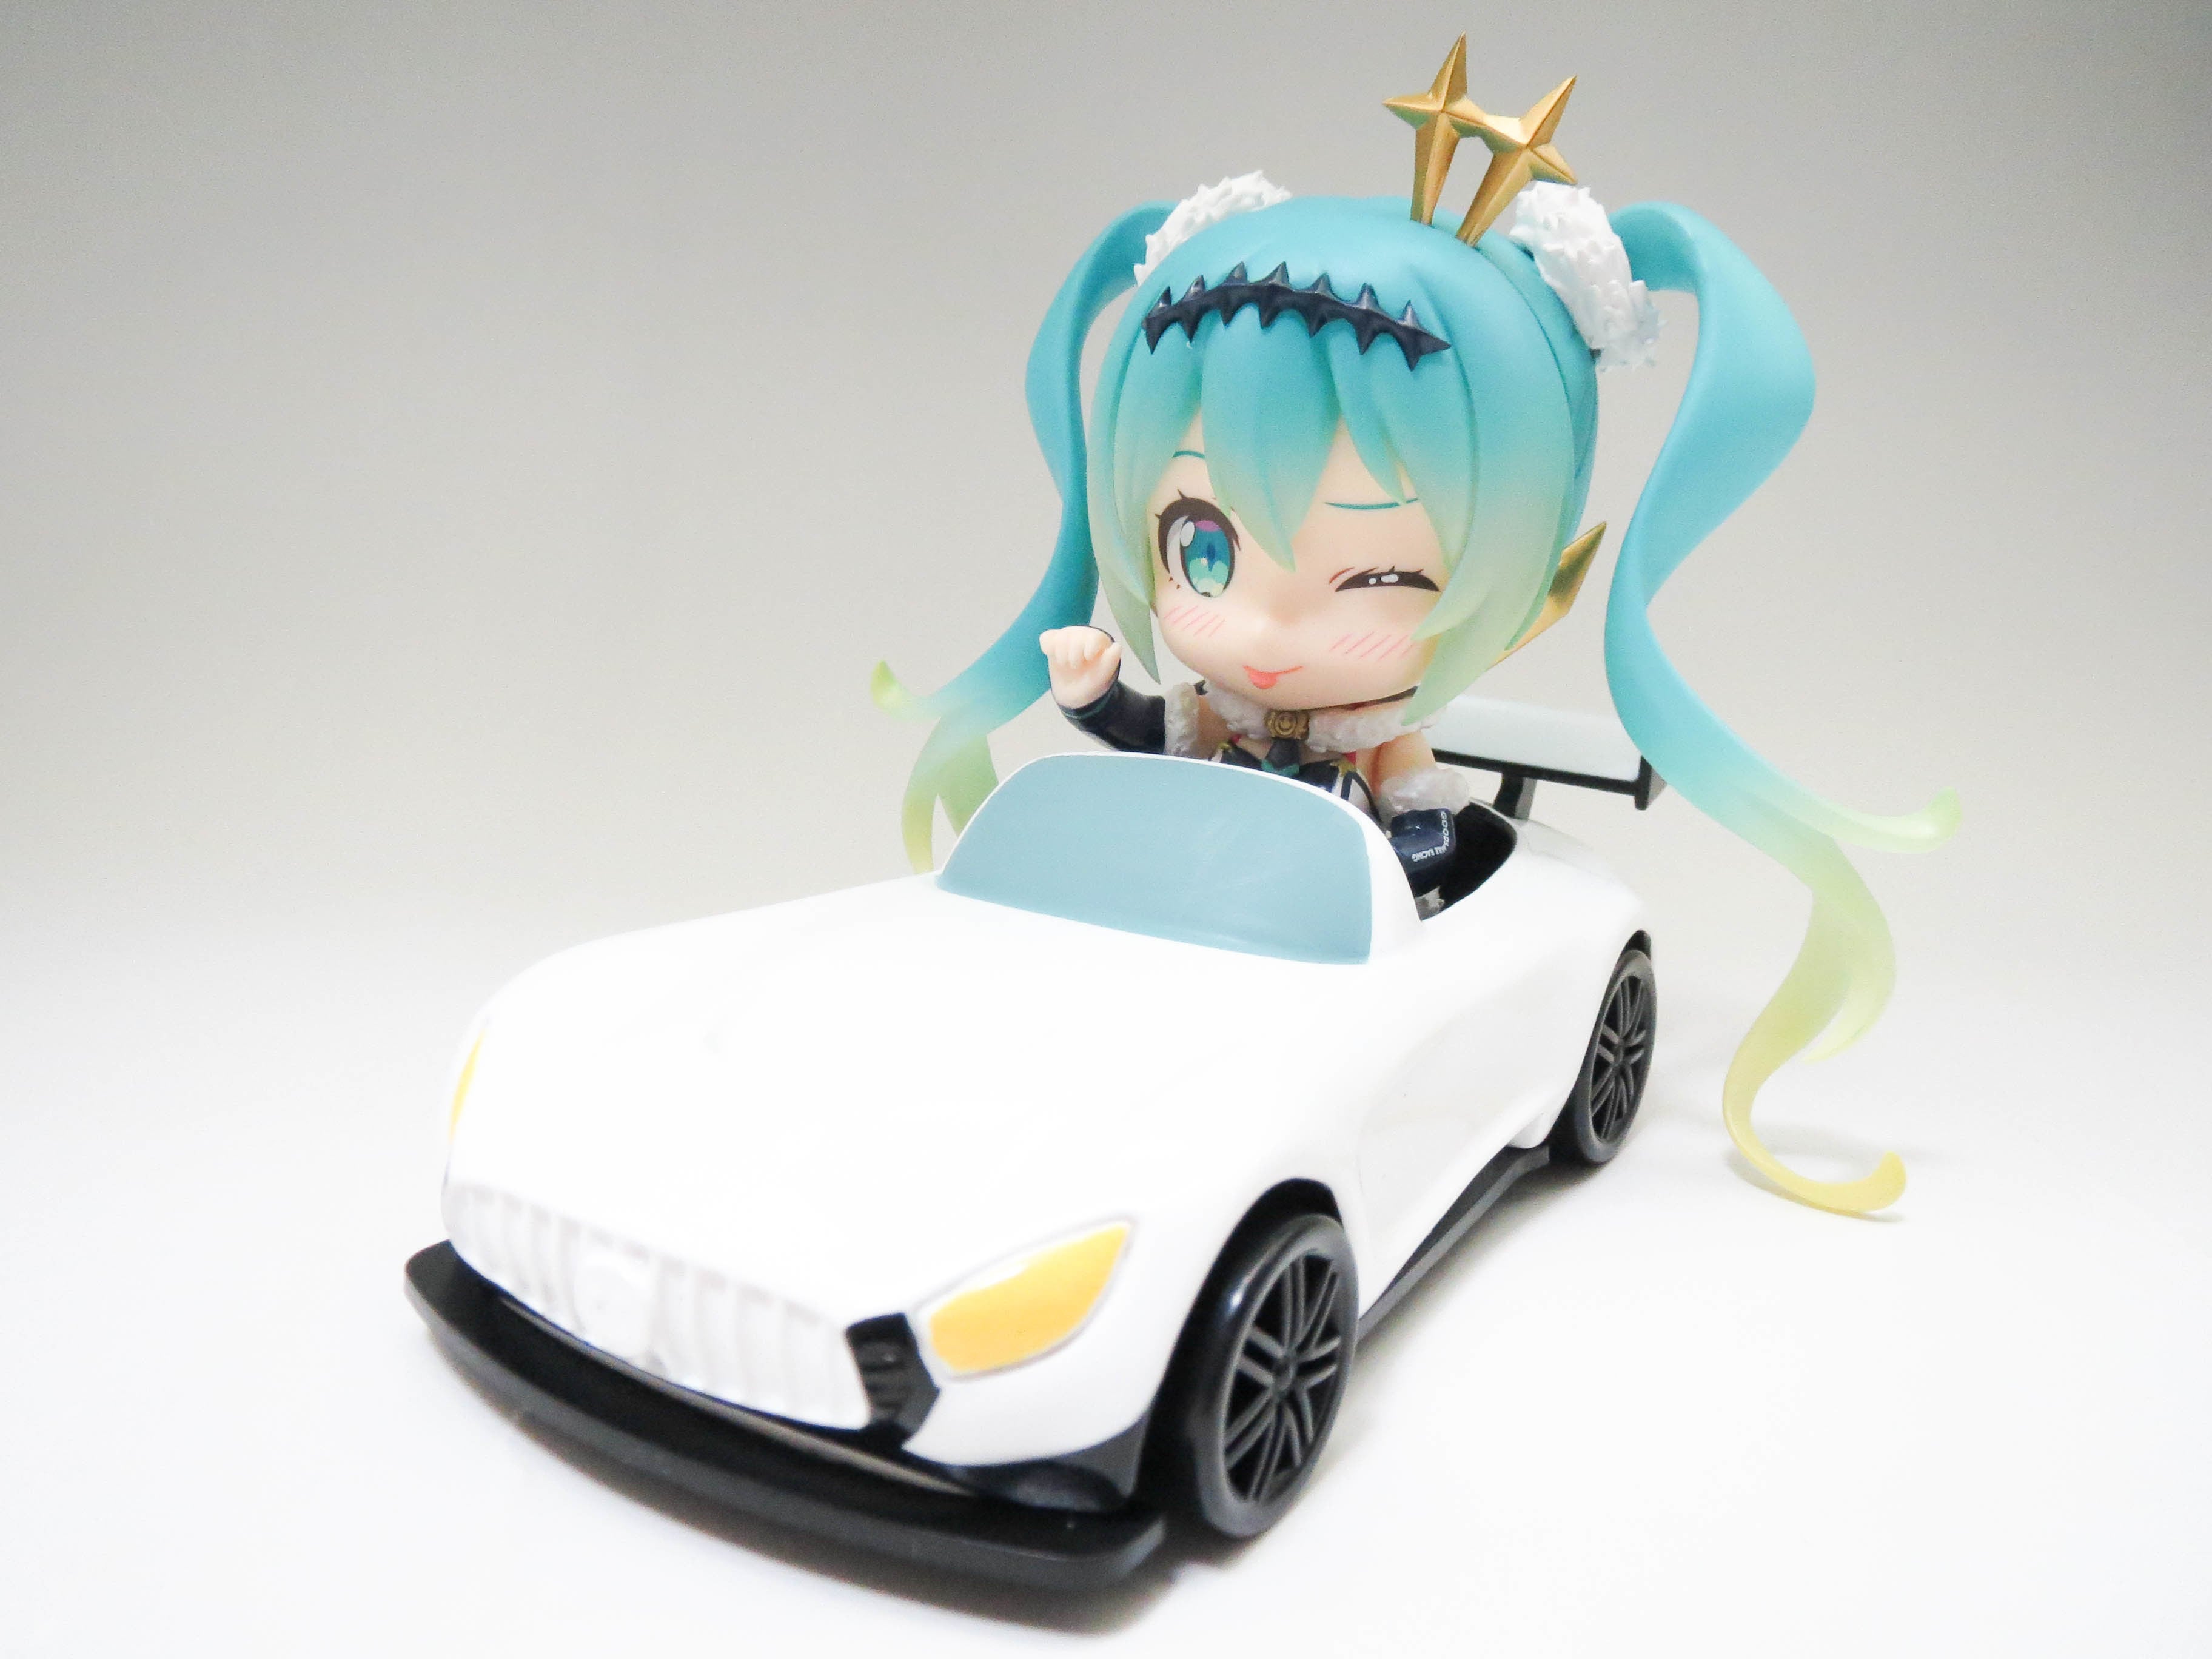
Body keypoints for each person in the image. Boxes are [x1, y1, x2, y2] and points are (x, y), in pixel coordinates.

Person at [874, 43, 1955, 1213]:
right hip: (1185, 907)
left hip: (1334, 937)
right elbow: (1154, 737)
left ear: (1513, 568)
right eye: (1203, 551)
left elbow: (1427, 842)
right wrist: (1094, 694)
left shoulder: (1383, 753)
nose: (1268, 631)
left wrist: (1397, 860)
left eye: (1377, 576)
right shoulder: (1220, 715)